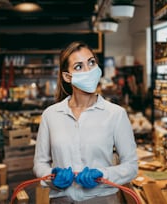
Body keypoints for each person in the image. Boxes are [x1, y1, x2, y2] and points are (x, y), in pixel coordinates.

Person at [33, 41, 138, 204]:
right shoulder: (50, 115)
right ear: (67, 77)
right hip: (62, 200)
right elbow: (40, 163)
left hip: (102, 200)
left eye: (91, 62)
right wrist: (51, 176)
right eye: (79, 67)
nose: (88, 70)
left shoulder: (115, 114)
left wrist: (103, 175)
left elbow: (131, 166)